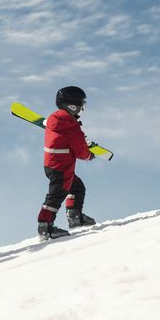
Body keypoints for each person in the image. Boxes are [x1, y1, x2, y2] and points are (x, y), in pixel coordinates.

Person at [36, 86, 97, 240]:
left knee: (76, 188)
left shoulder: (54, 119)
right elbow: (80, 152)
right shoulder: (71, 126)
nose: (82, 109)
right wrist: (89, 154)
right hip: (62, 169)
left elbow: (67, 140)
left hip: (51, 165)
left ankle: (74, 216)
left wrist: (81, 139)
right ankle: (45, 227)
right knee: (55, 197)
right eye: (81, 106)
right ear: (73, 106)